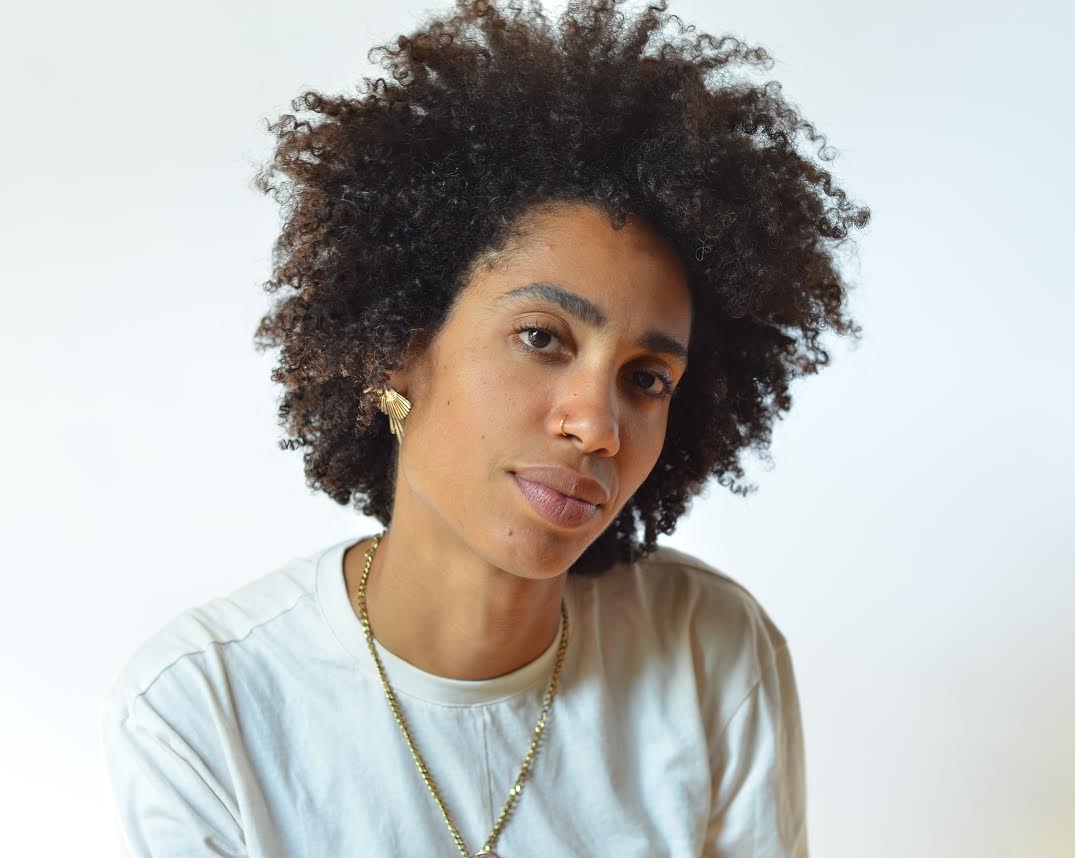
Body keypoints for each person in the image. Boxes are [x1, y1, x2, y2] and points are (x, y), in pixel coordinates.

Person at [99, 1, 869, 855]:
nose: (595, 425)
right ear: (398, 347)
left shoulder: (708, 650)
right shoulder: (209, 706)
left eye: (646, 379)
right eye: (541, 338)